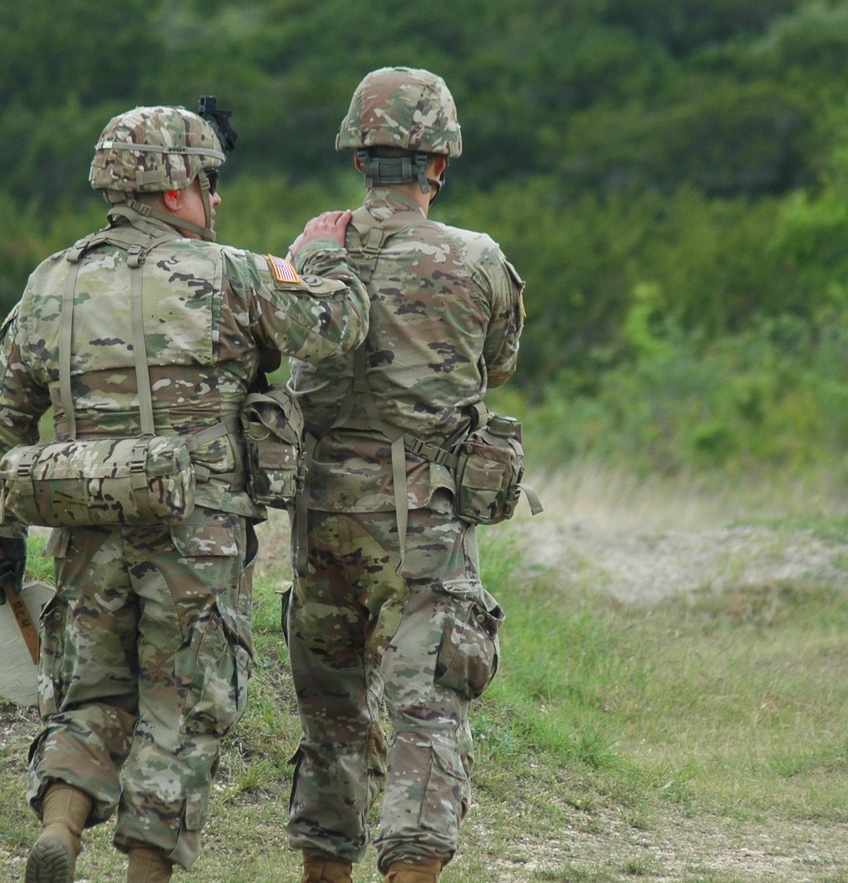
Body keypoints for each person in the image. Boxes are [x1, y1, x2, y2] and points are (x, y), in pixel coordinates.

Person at [0, 103, 369, 883]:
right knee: (184, 708)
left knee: (87, 694)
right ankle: (145, 872)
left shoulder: (52, 281)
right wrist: (325, 253)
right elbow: (337, 327)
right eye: (210, 182)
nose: (218, 200)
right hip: (197, 534)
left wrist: (0, 552)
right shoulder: (232, 274)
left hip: (83, 529)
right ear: (175, 186)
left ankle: (60, 827)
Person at [284, 67, 528, 883]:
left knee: (331, 716)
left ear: (359, 157)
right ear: (441, 163)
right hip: (424, 518)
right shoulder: (476, 258)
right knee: (425, 708)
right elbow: (499, 363)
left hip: (320, 512)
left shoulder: (311, 248)